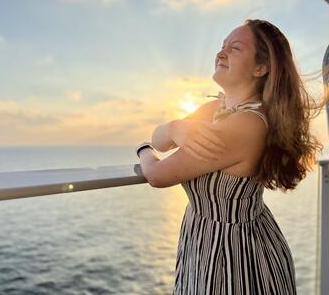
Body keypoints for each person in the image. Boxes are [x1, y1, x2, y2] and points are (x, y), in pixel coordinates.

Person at [136, 19, 327, 294]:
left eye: (234, 48)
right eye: (222, 46)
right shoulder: (217, 107)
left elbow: (156, 173)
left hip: (233, 255)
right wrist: (176, 128)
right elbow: (162, 140)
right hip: (205, 243)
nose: (220, 53)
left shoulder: (247, 124)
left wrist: (143, 150)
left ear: (261, 67)